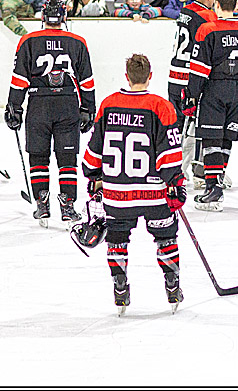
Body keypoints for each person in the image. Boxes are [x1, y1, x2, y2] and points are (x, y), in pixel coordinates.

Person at [82, 53, 185, 314]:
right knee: (165, 236)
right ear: (150, 76)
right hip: (154, 194)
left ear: (126, 77)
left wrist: (93, 175)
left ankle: (119, 286)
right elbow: (170, 154)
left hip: (117, 194)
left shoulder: (109, 104)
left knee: (117, 239)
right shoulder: (161, 106)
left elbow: (93, 153)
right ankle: (172, 283)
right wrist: (174, 181)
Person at [5, 0, 96, 226]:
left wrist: (14, 106)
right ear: (64, 17)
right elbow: (86, 80)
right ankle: (67, 206)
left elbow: (19, 79)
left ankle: (42, 204)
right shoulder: (77, 42)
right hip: (67, 104)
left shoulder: (28, 40)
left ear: (43, 17)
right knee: (67, 158)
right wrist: (88, 108)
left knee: (38, 156)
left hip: (38, 103)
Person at [181, 0, 238, 211]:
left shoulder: (207, 29)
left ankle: (213, 188)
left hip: (215, 89)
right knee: (226, 137)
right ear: (236, 5)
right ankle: (218, 180)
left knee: (211, 139)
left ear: (216, 3)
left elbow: (199, 68)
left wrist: (191, 95)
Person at [167, 0, 221, 187]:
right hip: (192, 77)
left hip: (175, 74)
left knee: (178, 127)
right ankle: (196, 172)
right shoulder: (206, 16)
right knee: (197, 127)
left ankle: (172, 168)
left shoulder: (186, 10)